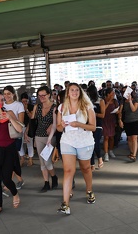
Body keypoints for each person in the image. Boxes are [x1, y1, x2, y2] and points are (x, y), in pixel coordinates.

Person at [56, 83, 96, 215]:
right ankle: (65, 204)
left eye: (76, 90)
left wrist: (79, 124)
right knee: (68, 171)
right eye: (71, 90)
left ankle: (89, 190)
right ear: (67, 93)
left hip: (84, 141)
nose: (74, 92)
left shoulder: (87, 106)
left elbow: (93, 127)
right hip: (68, 141)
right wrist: (61, 125)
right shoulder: (62, 107)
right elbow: (59, 128)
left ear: (80, 92)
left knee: (85, 168)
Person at [0, 91, 23, 217]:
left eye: (2, 100)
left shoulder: (9, 112)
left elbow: (19, 130)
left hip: (9, 149)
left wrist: (9, 117)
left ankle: (14, 193)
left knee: (6, 178)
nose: (1, 102)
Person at [27, 86, 58, 192]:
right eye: (39, 95)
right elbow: (32, 122)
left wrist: (50, 132)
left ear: (49, 94)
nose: (41, 97)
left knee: (47, 161)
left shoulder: (55, 108)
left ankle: (54, 177)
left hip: (50, 137)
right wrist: (28, 134)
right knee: (42, 161)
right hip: (38, 136)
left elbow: (55, 124)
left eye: (43, 95)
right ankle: (46, 182)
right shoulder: (37, 107)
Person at [3, 85, 26, 189]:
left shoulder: (19, 105)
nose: (6, 96)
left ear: (13, 94)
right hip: (4, 135)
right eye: (5, 94)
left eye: (9, 93)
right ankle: (20, 180)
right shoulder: (1, 105)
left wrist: (10, 116)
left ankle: (8, 183)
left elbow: (21, 123)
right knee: (10, 159)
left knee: (11, 159)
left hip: (15, 135)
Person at [118, 88, 138, 162]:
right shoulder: (123, 101)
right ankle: (131, 152)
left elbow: (134, 109)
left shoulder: (136, 100)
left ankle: (134, 155)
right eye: (123, 91)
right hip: (127, 121)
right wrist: (120, 120)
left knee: (134, 138)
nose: (125, 92)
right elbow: (120, 112)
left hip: (135, 120)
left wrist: (130, 101)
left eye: (126, 91)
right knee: (129, 138)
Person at [86, 85, 105, 170]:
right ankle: (92, 164)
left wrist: (93, 114)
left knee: (95, 143)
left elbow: (103, 115)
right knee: (90, 144)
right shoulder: (87, 102)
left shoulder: (100, 101)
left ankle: (100, 158)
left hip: (98, 125)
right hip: (89, 125)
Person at [102, 87, 119, 161]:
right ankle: (106, 154)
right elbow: (103, 110)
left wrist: (118, 112)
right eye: (112, 93)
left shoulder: (115, 101)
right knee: (106, 137)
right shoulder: (103, 100)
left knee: (112, 137)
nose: (113, 94)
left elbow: (118, 109)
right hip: (105, 120)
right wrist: (108, 102)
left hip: (112, 120)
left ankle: (111, 150)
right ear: (108, 94)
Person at [20, 92, 35, 166]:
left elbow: (32, 117)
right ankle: (22, 158)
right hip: (20, 126)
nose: (24, 103)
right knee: (20, 144)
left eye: (26, 101)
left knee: (29, 143)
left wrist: (26, 110)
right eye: (23, 101)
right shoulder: (19, 107)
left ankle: (30, 159)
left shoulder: (31, 106)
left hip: (29, 127)